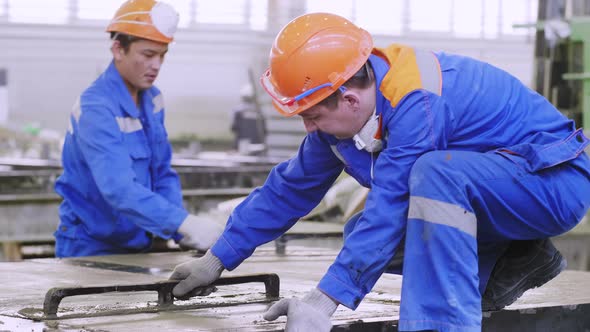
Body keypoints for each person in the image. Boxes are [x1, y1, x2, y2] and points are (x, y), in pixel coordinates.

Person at [168, 13, 590, 332]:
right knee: (359, 233)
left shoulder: (416, 101)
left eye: (311, 115)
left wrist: (322, 302)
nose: (308, 127)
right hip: (501, 192)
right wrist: (217, 258)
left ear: (349, 99)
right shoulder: (344, 115)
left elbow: (391, 207)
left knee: (431, 178)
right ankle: (515, 259)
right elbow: (289, 189)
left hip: (554, 183)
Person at [54, 0, 223, 257]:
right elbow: (119, 189)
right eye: (148, 55)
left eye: (162, 55)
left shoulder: (153, 101)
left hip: (138, 245)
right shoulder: (96, 107)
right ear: (118, 49)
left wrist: (180, 230)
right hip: (89, 247)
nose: (156, 65)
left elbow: (162, 173)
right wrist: (184, 224)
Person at [230, 84, 266, 153]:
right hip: (257, 147)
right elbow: (264, 132)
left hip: (242, 147)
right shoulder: (260, 113)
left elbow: (234, 128)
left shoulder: (238, 112)